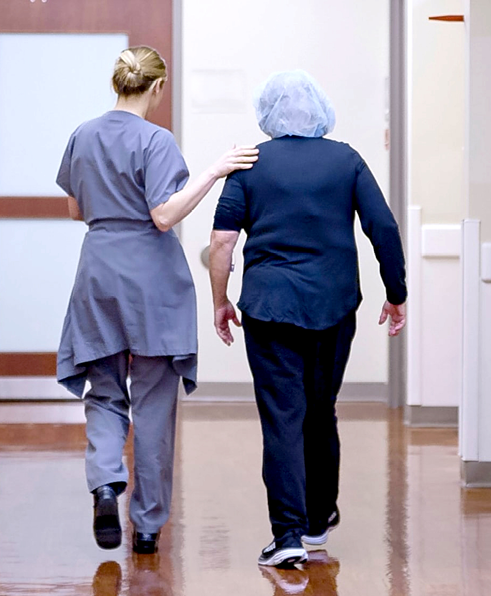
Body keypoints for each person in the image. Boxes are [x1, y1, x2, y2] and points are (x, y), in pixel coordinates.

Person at [56, 46, 259, 555]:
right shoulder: (157, 140)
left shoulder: (83, 134)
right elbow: (164, 216)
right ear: (157, 88)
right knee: (152, 406)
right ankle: (145, 528)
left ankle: (105, 483)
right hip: (151, 281)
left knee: (103, 392)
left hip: (98, 273)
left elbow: (75, 208)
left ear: (117, 84)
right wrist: (212, 172)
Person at [207, 70, 407, 568]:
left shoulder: (250, 163)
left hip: (270, 309)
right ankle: (318, 519)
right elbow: (382, 226)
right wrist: (396, 293)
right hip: (334, 306)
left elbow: (222, 243)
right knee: (322, 410)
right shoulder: (346, 159)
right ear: (321, 108)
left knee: (282, 417)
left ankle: (289, 534)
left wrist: (220, 299)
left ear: (268, 112)